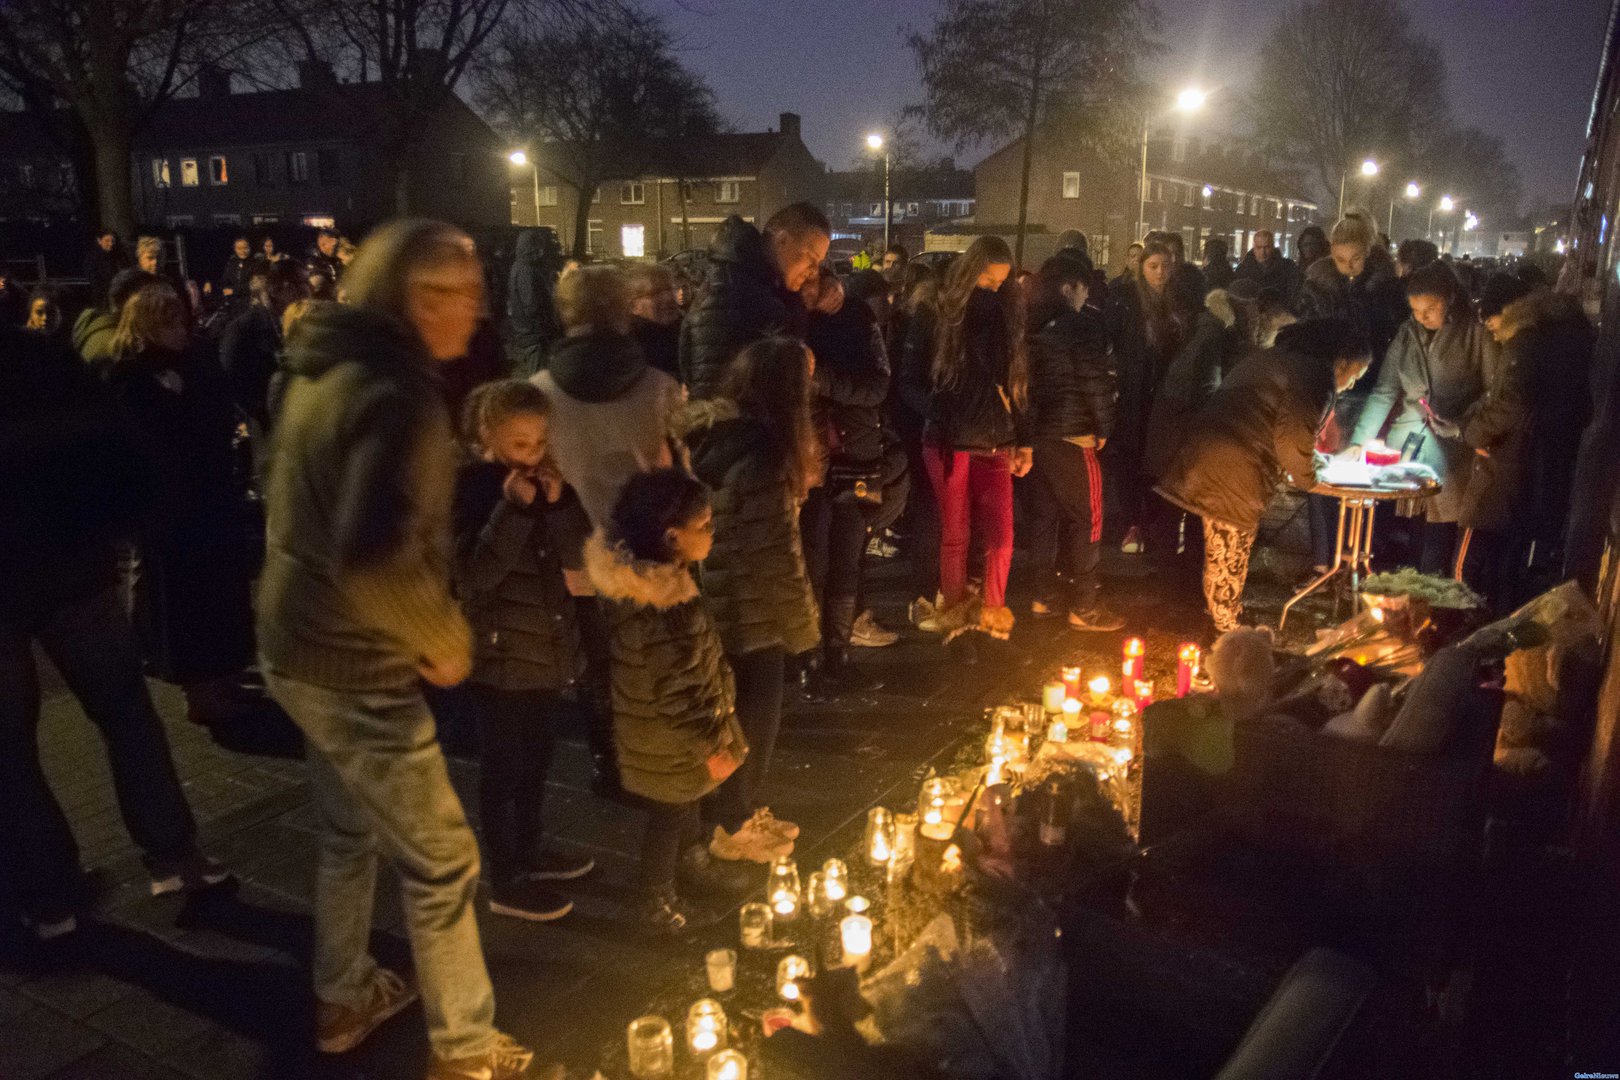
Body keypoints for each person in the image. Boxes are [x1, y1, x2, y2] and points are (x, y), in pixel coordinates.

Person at [258, 220, 539, 1077]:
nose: (477, 308)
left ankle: (343, 995)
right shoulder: (399, 394)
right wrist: (443, 637)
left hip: (295, 643)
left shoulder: (321, 367)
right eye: (461, 291)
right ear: (415, 298)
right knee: (443, 859)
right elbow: (374, 554)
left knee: (349, 834)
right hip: (358, 664)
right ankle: (465, 1051)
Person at [1, 322, 231, 939]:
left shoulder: (36, 353)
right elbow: (110, 437)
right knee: (125, 715)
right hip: (73, 562)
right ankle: (173, 856)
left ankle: (51, 896)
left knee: (12, 751)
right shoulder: (35, 353)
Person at [534, 264, 682, 799]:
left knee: (600, 662)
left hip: (580, 551)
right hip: (655, 548)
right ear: (623, 312)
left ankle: (610, 763)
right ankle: (659, 757)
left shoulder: (538, 393)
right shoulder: (662, 388)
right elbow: (683, 472)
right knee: (657, 653)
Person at [583, 469, 747, 933]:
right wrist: (713, 745)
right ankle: (654, 898)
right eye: (706, 526)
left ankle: (692, 865)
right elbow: (677, 692)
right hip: (667, 737)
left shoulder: (668, 583)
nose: (714, 532)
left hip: (669, 739)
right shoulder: (659, 605)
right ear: (673, 537)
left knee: (686, 800)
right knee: (669, 814)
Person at [453, 380, 593, 922]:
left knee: (537, 759)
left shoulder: (548, 483)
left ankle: (532, 850)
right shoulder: (472, 490)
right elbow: (473, 576)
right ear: (489, 437)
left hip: (546, 650)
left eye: (539, 443)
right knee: (504, 767)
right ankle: (507, 876)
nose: (533, 455)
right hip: (500, 657)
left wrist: (559, 507)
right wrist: (510, 511)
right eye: (520, 444)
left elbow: (578, 553)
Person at [680, 337, 821, 863]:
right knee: (757, 718)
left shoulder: (716, 436)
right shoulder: (763, 456)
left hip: (715, 595)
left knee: (727, 713)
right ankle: (733, 824)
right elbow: (779, 553)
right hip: (753, 606)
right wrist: (804, 626)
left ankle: (732, 813)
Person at [103, 282, 258, 726]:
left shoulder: (194, 362)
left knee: (224, 595)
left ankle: (225, 675)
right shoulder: (128, 376)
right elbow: (140, 443)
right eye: (167, 321)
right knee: (188, 605)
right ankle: (200, 692)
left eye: (180, 318)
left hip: (211, 500)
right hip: (172, 514)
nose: (179, 328)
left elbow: (218, 414)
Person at [1156, 318, 1372, 632]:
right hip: (1235, 462)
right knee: (1230, 549)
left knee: (1223, 546)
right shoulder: (1315, 374)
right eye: (1356, 375)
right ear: (1343, 361)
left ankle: (1223, 620)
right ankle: (1228, 634)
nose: (1352, 385)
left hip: (1213, 452)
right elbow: (1293, 438)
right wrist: (1311, 478)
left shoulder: (1277, 358)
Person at [903, 235, 1031, 641]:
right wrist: (940, 411)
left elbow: (1019, 383)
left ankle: (993, 609)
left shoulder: (1005, 317)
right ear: (971, 272)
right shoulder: (936, 314)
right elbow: (909, 380)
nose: (993, 291)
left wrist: (1024, 437)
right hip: (948, 439)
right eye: (987, 282)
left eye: (1000, 284)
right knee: (955, 532)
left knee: (1001, 537)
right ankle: (957, 607)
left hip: (994, 438)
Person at [1346, 261, 1498, 573]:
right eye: (1415, 309)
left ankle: (1433, 596)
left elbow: (1494, 390)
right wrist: (1359, 441)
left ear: (1450, 299)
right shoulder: (1407, 334)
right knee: (1405, 527)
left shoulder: (1476, 332)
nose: (1421, 317)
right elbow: (1385, 391)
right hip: (1409, 441)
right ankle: (1401, 592)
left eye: (1429, 308)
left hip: (1454, 448)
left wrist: (1464, 421)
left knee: (1441, 528)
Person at [1457, 277, 1593, 609]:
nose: (1488, 325)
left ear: (1510, 310)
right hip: (1533, 464)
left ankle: (1460, 624)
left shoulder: (1523, 345)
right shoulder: (1554, 341)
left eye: (1491, 316)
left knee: (1470, 559)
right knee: (1508, 555)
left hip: (1505, 463)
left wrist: (1472, 431)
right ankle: (1497, 626)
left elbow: (1510, 403)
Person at [799, 269, 893, 692]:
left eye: (828, 282)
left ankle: (837, 652)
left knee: (848, 555)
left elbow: (878, 386)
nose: (825, 293)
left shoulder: (859, 318)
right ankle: (806, 657)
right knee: (810, 558)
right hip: (810, 460)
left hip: (858, 456)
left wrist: (823, 382)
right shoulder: (791, 321)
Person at [1023, 253, 1121, 631]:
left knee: (1045, 518)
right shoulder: (1080, 327)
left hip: (1042, 437)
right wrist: (1105, 426)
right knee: (1089, 518)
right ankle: (1085, 604)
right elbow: (1096, 382)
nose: (1086, 296)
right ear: (1069, 288)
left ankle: (1042, 597)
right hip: (1075, 434)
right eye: (1084, 288)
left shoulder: (1036, 324)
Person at [680, 202, 830, 398]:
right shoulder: (728, 296)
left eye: (818, 263)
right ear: (783, 240)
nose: (813, 272)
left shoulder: (764, 287)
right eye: (811, 258)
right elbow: (716, 404)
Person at [1107, 238, 1194, 554]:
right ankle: (1133, 522)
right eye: (1153, 266)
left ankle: (1156, 525)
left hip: (1167, 392)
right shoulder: (1127, 300)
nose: (1159, 273)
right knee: (1131, 458)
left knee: (1159, 461)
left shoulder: (1178, 302)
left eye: (1165, 266)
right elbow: (1115, 342)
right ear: (1141, 267)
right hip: (1134, 392)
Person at [219, 273, 283, 479]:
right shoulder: (242, 328)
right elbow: (228, 372)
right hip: (261, 413)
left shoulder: (280, 322)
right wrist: (251, 407)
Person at [506, 227, 564, 376]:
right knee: (540, 378)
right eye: (537, 247)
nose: (541, 251)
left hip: (530, 332)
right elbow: (532, 304)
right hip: (534, 334)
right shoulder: (526, 270)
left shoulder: (519, 266)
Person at [626, 262, 682, 381]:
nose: (668, 298)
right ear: (633, 305)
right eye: (656, 293)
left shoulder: (690, 332)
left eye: (670, 289)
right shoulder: (628, 347)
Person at [1232, 230, 1296, 300]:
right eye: (1259, 247)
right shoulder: (1243, 270)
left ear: (1272, 247)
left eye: (1267, 247)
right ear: (1254, 248)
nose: (1262, 252)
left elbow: (1292, 296)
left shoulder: (1287, 268)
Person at [84, 229, 129, 309]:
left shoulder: (119, 256)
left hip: (119, 294)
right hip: (102, 297)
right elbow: (93, 278)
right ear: (99, 241)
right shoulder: (92, 258)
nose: (111, 244)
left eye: (112, 241)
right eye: (107, 241)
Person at [218, 236, 261, 307]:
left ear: (250, 248)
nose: (243, 251)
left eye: (245, 248)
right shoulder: (232, 263)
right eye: (239, 248)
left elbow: (256, 285)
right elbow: (224, 280)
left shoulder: (256, 263)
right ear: (235, 249)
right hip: (232, 300)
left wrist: (234, 291)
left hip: (251, 301)